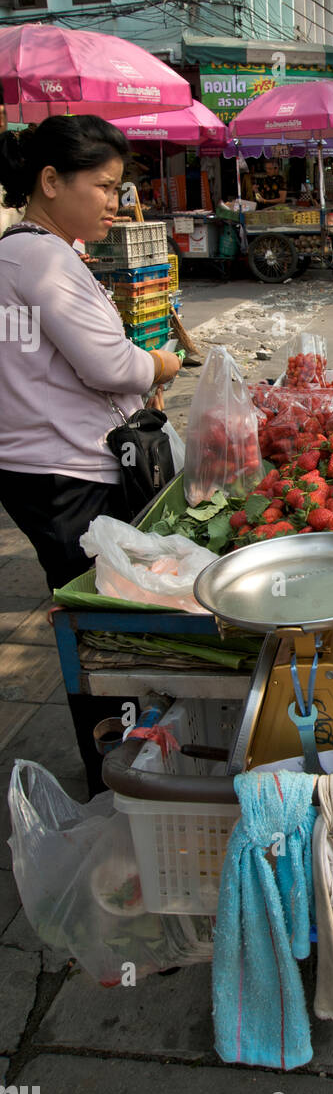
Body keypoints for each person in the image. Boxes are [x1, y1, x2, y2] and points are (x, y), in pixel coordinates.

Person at [0, 115, 183, 796]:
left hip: (38, 466)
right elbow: (108, 365)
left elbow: (30, 359)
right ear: (51, 181)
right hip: (67, 473)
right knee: (107, 630)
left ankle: (124, 766)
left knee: (93, 615)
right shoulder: (41, 257)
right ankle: (123, 782)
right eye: (104, 186)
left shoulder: (15, 256)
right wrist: (160, 360)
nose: (115, 201)